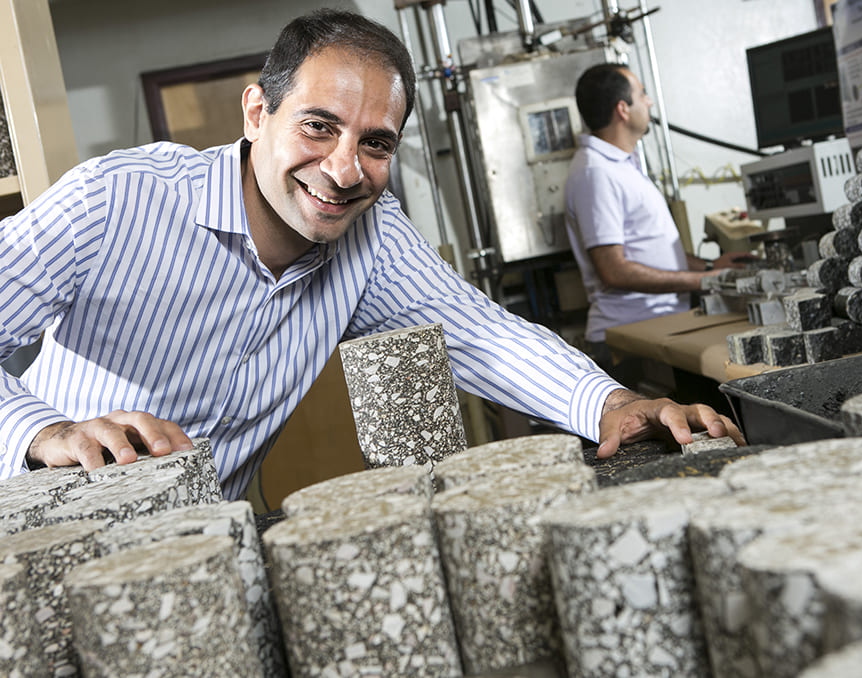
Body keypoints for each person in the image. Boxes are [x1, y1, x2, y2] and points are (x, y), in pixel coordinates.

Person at [0, 10, 743, 501]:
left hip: (206, 550)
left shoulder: (372, 233)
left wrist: (615, 403)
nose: (345, 169)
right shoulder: (116, 200)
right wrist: (44, 432)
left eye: (376, 143)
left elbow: (484, 336)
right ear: (258, 112)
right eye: (318, 126)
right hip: (53, 536)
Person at [565, 63, 749, 380]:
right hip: (629, 339)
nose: (649, 102)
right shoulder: (596, 172)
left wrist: (708, 267)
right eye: (642, 94)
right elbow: (613, 270)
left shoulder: (622, 163)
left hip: (658, 326)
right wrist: (708, 281)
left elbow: (651, 250)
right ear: (623, 109)